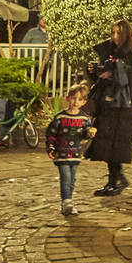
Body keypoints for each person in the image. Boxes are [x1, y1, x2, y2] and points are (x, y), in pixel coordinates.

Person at [85, 19, 132, 196]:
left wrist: (116, 74)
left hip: (123, 104)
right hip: (107, 102)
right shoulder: (108, 51)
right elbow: (101, 76)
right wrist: (94, 71)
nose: (115, 36)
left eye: (119, 33)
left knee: (116, 143)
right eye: (113, 32)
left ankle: (116, 179)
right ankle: (115, 178)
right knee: (105, 142)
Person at [45, 83, 96, 215]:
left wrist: (89, 134)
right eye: (73, 98)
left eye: (79, 99)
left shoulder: (84, 119)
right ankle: (66, 201)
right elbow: (51, 133)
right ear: (68, 98)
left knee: (72, 179)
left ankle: (68, 201)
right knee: (65, 177)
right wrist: (50, 147)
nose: (75, 102)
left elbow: (84, 137)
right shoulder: (60, 117)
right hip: (61, 153)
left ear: (84, 102)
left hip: (76, 153)